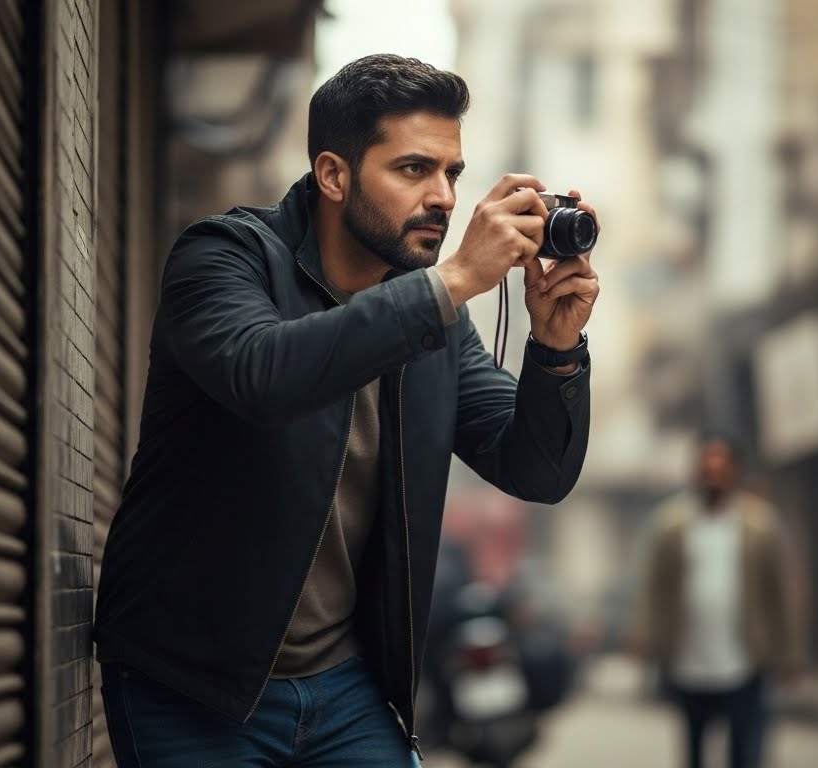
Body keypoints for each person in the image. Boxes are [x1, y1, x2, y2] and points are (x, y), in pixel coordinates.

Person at [93, 54, 600, 767]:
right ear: (333, 174)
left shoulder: (437, 325)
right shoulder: (224, 258)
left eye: (451, 173)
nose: (444, 198)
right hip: (193, 683)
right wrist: (453, 282)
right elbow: (263, 375)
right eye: (412, 169)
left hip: (348, 690)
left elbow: (536, 469)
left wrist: (555, 349)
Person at [633, 434, 801, 768]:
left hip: (744, 660)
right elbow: (654, 586)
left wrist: (789, 654)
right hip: (689, 662)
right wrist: (643, 634)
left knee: (743, 751)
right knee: (694, 751)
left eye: (721, 468)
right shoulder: (672, 525)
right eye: (707, 468)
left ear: (734, 472)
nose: (713, 475)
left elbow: (778, 593)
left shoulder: (760, 526)